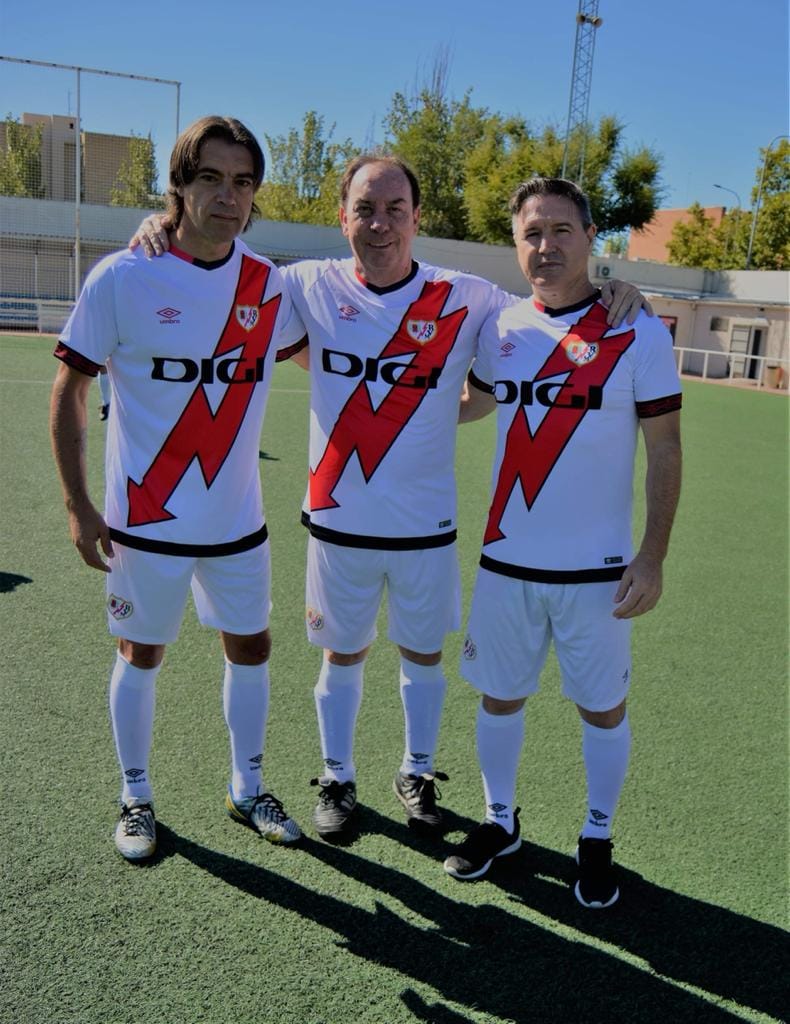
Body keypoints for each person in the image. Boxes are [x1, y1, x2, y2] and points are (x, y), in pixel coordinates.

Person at [131, 156, 648, 843]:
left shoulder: (468, 297)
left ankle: (417, 772)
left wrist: (615, 287)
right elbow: (220, 267)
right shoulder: (305, 285)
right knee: (340, 655)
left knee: (422, 655)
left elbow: (552, 306)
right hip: (337, 521)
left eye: (395, 210)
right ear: (342, 218)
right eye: (365, 210)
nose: (380, 224)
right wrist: (164, 226)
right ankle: (337, 776)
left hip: (426, 525)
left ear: (416, 217)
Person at [50, 116, 306, 862]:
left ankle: (247, 785)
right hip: (146, 520)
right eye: (211, 179)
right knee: (141, 651)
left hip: (236, 523)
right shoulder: (123, 276)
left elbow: (363, 312)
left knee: (252, 645)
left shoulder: (270, 285)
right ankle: (135, 795)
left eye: (243, 182)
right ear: (179, 186)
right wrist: (78, 505)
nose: (229, 196)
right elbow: (69, 391)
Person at [443, 177, 682, 909]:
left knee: (601, 709)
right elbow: (473, 403)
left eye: (560, 230)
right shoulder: (501, 326)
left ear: (589, 238)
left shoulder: (636, 330)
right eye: (532, 234)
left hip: (598, 574)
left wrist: (652, 557)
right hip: (507, 561)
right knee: (499, 697)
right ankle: (500, 821)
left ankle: (596, 836)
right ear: (516, 245)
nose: (545, 246)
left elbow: (666, 448)